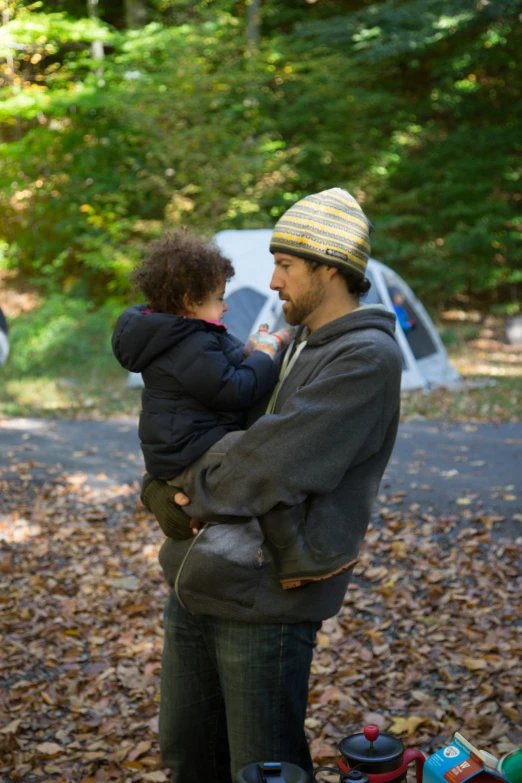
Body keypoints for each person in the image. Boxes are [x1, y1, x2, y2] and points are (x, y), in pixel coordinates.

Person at [150, 188, 403, 783]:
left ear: (330, 268)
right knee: (190, 760)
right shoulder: (300, 342)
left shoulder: (365, 358)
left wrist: (182, 492)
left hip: (266, 603)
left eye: (286, 265)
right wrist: (154, 484)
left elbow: (269, 461)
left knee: (262, 772)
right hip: (201, 580)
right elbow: (207, 422)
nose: (272, 281)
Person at [111, 231, 294, 539]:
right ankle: (286, 546)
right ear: (190, 302)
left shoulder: (182, 334)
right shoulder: (188, 343)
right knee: (265, 453)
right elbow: (233, 390)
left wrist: (249, 351)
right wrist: (265, 355)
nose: (225, 307)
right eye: (220, 298)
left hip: (186, 445)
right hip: (189, 451)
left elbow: (217, 367)